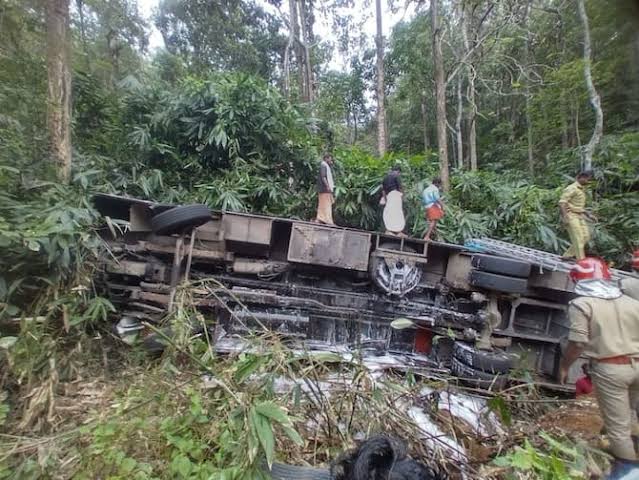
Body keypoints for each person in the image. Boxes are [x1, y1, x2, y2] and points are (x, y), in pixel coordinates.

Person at [559, 257, 639, 479]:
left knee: (618, 429)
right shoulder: (633, 303)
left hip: (611, 370)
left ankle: (627, 473)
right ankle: (626, 454)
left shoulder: (581, 304)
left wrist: (565, 366)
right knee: (629, 413)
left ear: (577, 280)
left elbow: (577, 342)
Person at [559, 170, 596, 260]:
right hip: (571, 216)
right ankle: (581, 261)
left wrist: (588, 215)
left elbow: (578, 206)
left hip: (579, 216)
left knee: (586, 237)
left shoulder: (581, 189)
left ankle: (567, 255)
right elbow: (562, 203)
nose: (588, 182)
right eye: (588, 179)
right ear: (581, 177)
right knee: (578, 239)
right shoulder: (572, 188)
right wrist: (565, 217)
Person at [381, 165, 405, 235]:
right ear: (398, 171)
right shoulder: (396, 176)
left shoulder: (385, 178)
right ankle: (399, 231)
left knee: (389, 213)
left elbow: (383, 191)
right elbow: (400, 188)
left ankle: (388, 230)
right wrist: (403, 197)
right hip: (395, 195)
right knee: (398, 213)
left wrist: (385, 200)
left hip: (389, 196)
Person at [315, 153, 335, 225]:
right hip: (324, 189)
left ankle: (320, 218)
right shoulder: (323, 165)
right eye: (330, 159)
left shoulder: (325, 165)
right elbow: (323, 177)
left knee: (323, 204)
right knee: (326, 205)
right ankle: (327, 220)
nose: (331, 160)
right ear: (326, 158)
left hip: (323, 189)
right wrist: (327, 186)